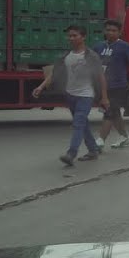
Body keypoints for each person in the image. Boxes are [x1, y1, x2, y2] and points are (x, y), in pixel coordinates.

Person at [32, 24, 109, 166]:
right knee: (83, 124)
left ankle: (71, 153)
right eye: (70, 36)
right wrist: (41, 87)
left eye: (75, 35)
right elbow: (55, 73)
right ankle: (93, 150)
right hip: (70, 95)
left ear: (83, 37)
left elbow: (101, 77)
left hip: (86, 95)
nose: (71, 38)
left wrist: (104, 97)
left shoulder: (91, 56)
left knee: (78, 123)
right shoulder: (66, 56)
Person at [94, 19, 129, 149]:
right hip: (103, 86)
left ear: (119, 32)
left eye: (114, 30)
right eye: (108, 30)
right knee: (115, 113)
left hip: (119, 85)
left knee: (110, 111)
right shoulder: (98, 46)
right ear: (104, 31)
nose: (110, 33)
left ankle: (100, 140)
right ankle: (124, 137)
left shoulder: (125, 47)